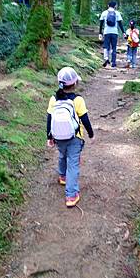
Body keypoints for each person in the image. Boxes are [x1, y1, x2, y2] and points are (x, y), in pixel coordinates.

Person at [47, 67, 94, 208]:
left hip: (58, 136)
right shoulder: (78, 100)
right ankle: (71, 195)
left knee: (62, 155)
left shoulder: (53, 99)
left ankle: (62, 176)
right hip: (75, 137)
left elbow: (49, 118)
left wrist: (49, 136)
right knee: (73, 164)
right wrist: (91, 134)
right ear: (75, 84)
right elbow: (84, 119)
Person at [99, 0, 126, 68]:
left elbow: (101, 24)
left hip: (106, 32)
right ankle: (113, 62)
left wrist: (100, 33)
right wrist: (123, 32)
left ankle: (106, 59)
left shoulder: (104, 13)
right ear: (115, 6)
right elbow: (120, 24)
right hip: (114, 32)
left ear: (108, 5)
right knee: (114, 47)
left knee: (106, 46)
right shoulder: (117, 13)